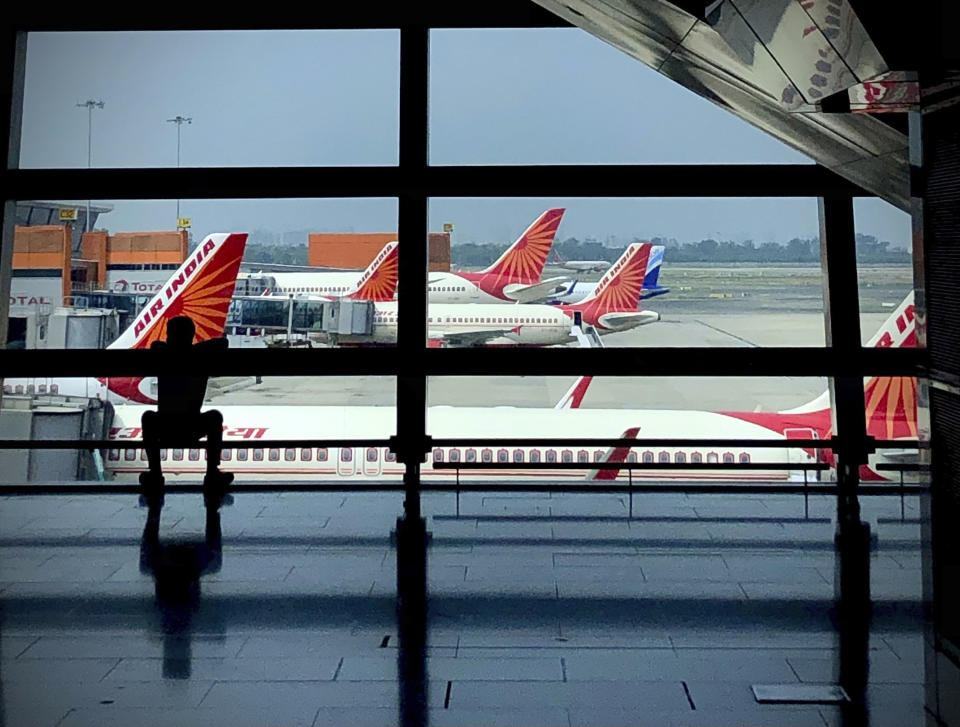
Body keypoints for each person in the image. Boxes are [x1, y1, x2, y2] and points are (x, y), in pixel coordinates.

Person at [139, 316, 232, 510]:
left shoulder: (163, 354)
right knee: (215, 417)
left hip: (165, 424)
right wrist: (195, 350)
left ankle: (155, 474)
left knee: (147, 417)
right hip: (192, 424)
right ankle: (212, 473)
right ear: (191, 336)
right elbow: (222, 342)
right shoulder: (200, 356)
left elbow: (156, 345)